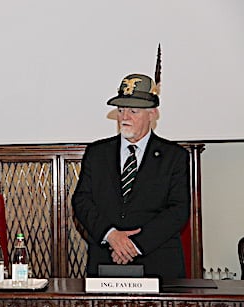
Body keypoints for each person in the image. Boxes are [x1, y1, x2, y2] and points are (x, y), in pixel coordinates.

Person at [72, 73, 190, 279]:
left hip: (159, 265)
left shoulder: (174, 156)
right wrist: (111, 236)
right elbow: (81, 200)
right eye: (120, 110)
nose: (124, 117)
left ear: (152, 114)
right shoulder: (97, 153)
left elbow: (178, 210)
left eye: (133, 111)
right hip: (105, 261)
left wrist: (134, 245)